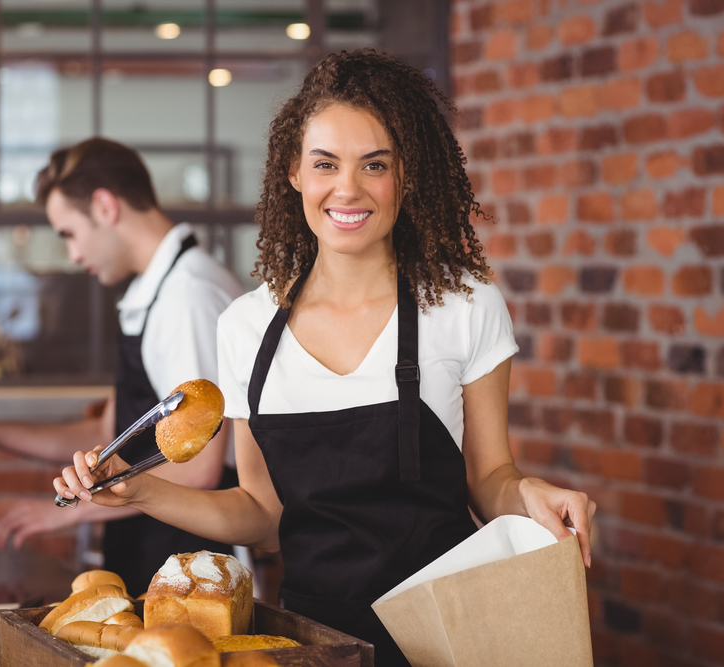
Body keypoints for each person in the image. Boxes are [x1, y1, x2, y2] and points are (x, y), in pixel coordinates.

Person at [54, 50, 597, 666]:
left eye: (375, 165)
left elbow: (488, 478)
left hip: (451, 635)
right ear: (294, 172)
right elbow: (260, 513)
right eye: (325, 164)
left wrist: (529, 494)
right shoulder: (246, 329)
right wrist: (142, 493)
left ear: (407, 175)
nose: (348, 188)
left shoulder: (464, 305)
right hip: (311, 643)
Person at [0, 137, 244, 597]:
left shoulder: (187, 297)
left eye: (68, 232)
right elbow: (111, 433)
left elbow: (200, 470)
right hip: (150, 546)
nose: (70, 254)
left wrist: (68, 509)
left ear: (105, 207)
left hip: (190, 562)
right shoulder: (152, 293)